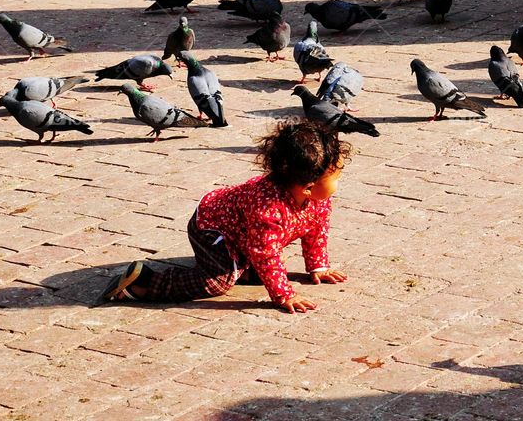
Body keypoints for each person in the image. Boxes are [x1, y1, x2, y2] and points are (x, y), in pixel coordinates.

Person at [101, 120, 350, 313]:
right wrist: (284, 294)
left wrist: (318, 266)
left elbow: (316, 228)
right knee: (218, 282)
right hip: (211, 228)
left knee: (254, 267)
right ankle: (143, 283)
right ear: (307, 186)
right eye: (336, 176)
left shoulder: (317, 199)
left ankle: (243, 266)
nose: (340, 178)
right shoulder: (267, 210)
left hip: (241, 232)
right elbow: (266, 252)